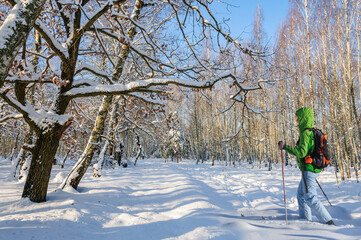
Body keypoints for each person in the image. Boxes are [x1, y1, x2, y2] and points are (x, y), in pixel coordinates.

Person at [278, 107, 334, 225]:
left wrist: (285, 147)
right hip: (311, 168)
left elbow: (301, 152)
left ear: (303, 118)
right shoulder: (311, 132)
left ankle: (328, 222)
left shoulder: (305, 133)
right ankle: (305, 221)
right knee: (301, 195)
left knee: (309, 197)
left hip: (309, 169)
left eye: (298, 118)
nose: (297, 120)